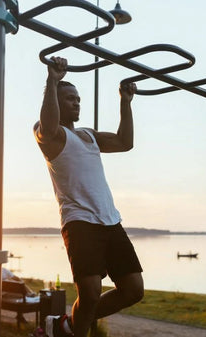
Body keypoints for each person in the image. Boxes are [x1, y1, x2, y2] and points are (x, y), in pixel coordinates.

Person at [33, 56, 144, 337]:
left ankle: (66, 325)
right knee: (91, 293)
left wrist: (125, 103)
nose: (76, 102)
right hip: (80, 222)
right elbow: (48, 123)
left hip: (110, 220)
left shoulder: (89, 135)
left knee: (133, 290)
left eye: (78, 98)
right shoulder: (51, 135)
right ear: (56, 102)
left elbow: (124, 142)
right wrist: (52, 80)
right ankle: (74, 329)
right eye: (69, 98)